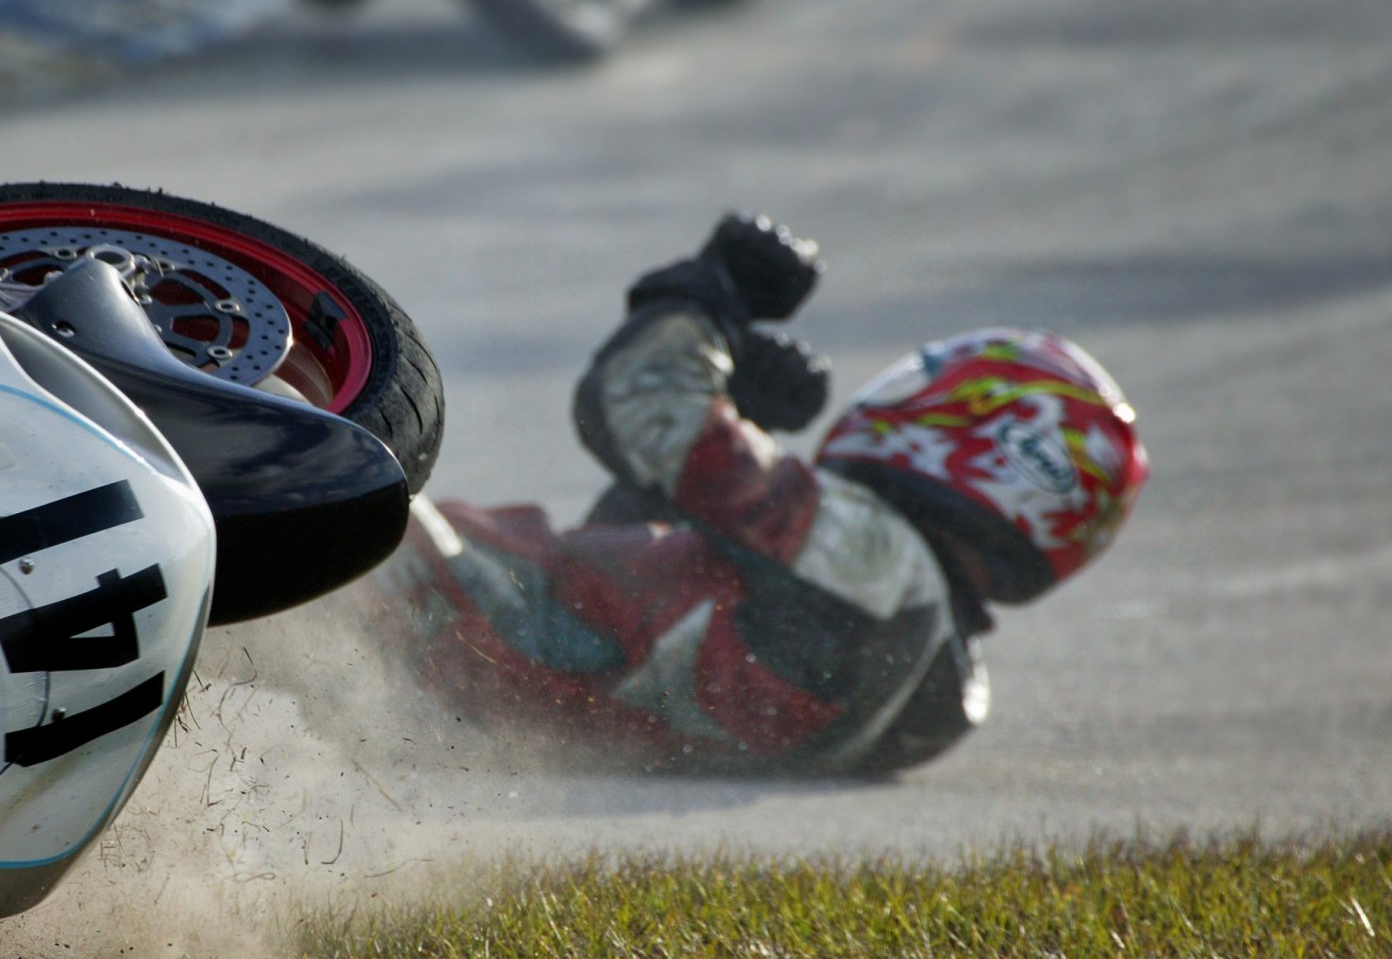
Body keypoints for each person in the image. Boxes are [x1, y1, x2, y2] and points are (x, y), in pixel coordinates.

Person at [373, 215, 1149, 775]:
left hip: (422, 607)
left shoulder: (882, 566)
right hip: (457, 687)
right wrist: (735, 434)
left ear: (979, 434)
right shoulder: (921, 692)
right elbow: (637, 600)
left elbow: (640, 401)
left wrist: (710, 297)